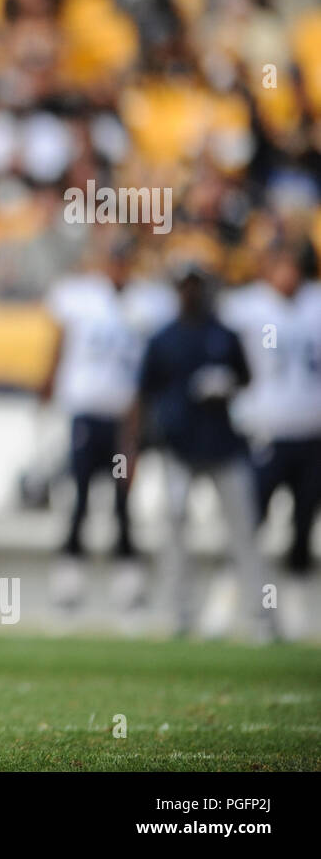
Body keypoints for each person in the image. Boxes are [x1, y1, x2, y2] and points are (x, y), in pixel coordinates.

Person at [132, 261, 276, 640]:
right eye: (184, 286)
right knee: (175, 528)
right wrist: (143, 442)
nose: (190, 293)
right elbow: (144, 393)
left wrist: (226, 384)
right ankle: (180, 613)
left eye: (196, 286)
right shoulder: (163, 338)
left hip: (223, 445)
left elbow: (246, 377)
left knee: (244, 530)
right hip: (178, 447)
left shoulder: (224, 335)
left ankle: (260, 616)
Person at [41, 239, 175, 609]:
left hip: (125, 422)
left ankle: (128, 579)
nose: (116, 266)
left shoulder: (149, 303)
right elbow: (59, 344)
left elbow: (157, 364)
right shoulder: (81, 297)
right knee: (80, 496)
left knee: (122, 499)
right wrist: (48, 388)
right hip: (86, 415)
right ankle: (69, 578)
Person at [221, 237, 321, 632]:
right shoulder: (245, 307)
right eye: (281, 264)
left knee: (303, 524)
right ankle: (229, 597)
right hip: (265, 434)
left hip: (312, 435)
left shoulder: (315, 305)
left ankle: (295, 607)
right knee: (250, 520)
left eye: (293, 265)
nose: (288, 274)